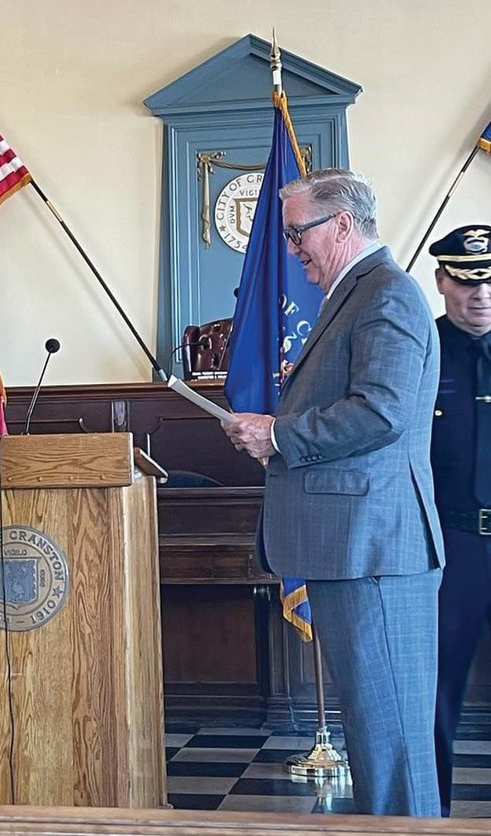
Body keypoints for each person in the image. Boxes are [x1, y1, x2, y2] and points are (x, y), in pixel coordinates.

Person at [222, 168, 444, 816]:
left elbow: (383, 411)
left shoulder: (387, 294)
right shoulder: (358, 294)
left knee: (393, 748)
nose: (292, 251)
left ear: (342, 225)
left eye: (298, 235)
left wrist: (280, 435)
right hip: (356, 552)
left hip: (375, 552)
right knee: (379, 743)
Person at [429, 225, 491, 817]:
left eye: (490, 281)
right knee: (437, 696)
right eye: (468, 281)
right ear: (442, 281)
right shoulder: (421, 350)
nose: (482, 294)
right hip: (453, 545)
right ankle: (434, 819)